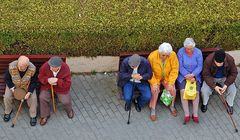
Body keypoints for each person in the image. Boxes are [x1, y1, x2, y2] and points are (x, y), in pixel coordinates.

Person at [38, 56, 74, 126]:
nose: (50, 68)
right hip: (48, 86)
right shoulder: (46, 66)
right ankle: (45, 115)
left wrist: (57, 80)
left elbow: (67, 84)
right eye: (50, 66)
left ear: (59, 67)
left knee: (65, 101)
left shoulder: (65, 68)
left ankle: (69, 110)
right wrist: (47, 80)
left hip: (60, 88)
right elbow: (40, 77)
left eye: (53, 67)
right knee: (42, 97)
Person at [3, 55, 38, 126]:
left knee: (33, 98)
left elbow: (34, 81)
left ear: (27, 65)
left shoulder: (32, 68)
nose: (20, 68)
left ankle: (33, 115)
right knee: (7, 97)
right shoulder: (12, 66)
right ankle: (8, 111)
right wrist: (13, 89)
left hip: (26, 86)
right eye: (19, 66)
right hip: (14, 85)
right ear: (18, 62)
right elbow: (6, 79)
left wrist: (29, 92)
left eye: (22, 67)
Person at [148, 42, 179, 121]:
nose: (165, 57)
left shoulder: (172, 55)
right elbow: (149, 72)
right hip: (156, 78)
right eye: (163, 55)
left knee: (173, 90)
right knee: (155, 91)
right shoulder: (152, 56)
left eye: (167, 55)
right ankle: (153, 108)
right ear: (159, 52)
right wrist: (154, 83)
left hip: (167, 77)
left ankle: (171, 105)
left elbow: (175, 69)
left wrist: (171, 83)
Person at [201, 49, 238, 115]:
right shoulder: (208, 60)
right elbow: (206, 75)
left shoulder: (230, 59)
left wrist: (226, 84)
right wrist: (214, 86)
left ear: (224, 59)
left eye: (221, 63)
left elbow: (234, 73)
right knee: (204, 90)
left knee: (233, 90)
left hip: (224, 77)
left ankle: (229, 104)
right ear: (214, 59)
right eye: (216, 62)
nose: (218, 64)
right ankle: (204, 103)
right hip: (211, 78)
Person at [177, 38, 203, 124]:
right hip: (183, 76)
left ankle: (195, 114)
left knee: (196, 92)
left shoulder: (198, 52)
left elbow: (200, 66)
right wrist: (187, 75)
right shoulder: (180, 52)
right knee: (183, 92)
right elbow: (180, 66)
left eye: (191, 48)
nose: (189, 50)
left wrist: (193, 75)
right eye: (187, 48)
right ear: (184, 47)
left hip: (195, 75)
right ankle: (187, 114)